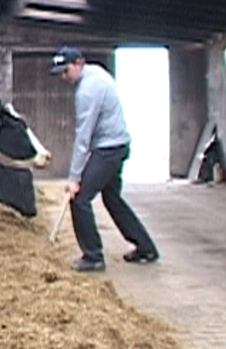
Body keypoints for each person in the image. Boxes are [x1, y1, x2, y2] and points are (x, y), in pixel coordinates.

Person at [50, 46, 159, 272]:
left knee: (79, 199)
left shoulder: (87, 90)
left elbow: (83, 136)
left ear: (79, 63)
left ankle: (93, 256)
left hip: (109, 149)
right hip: (117, 145)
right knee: (112, 199)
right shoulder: (96, 72)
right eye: (60, 72)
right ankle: (146, 248)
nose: (63, 77)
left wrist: (74, 178)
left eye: (66, 71)